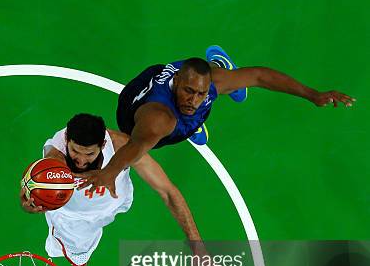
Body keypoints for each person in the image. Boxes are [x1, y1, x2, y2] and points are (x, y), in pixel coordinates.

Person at [78, 45, 356, 197]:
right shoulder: (158, 120)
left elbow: (260, 76)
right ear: (176, 83)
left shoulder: (208, 86)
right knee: (170, 126)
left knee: (209, 89)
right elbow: (134, 148)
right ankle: (192, 125)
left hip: (187, 90)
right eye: (188, 91)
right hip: (134, 110)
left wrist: (313, 95)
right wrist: (110, 172)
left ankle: (221, 64)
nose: (194, 99)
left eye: (200, 94)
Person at [20, 113, 214, 266]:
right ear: (67, 140)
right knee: (78, 256)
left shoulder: (121, 146)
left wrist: (195, 241)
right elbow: (31, 192)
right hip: (76, 220)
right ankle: (62, 243)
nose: (80, 160)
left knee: (122, 202)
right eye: (75, 151)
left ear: (103, 144)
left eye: (89, 154)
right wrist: (28, 205)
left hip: (116, 201)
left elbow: (167, 191)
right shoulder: (54, 160)